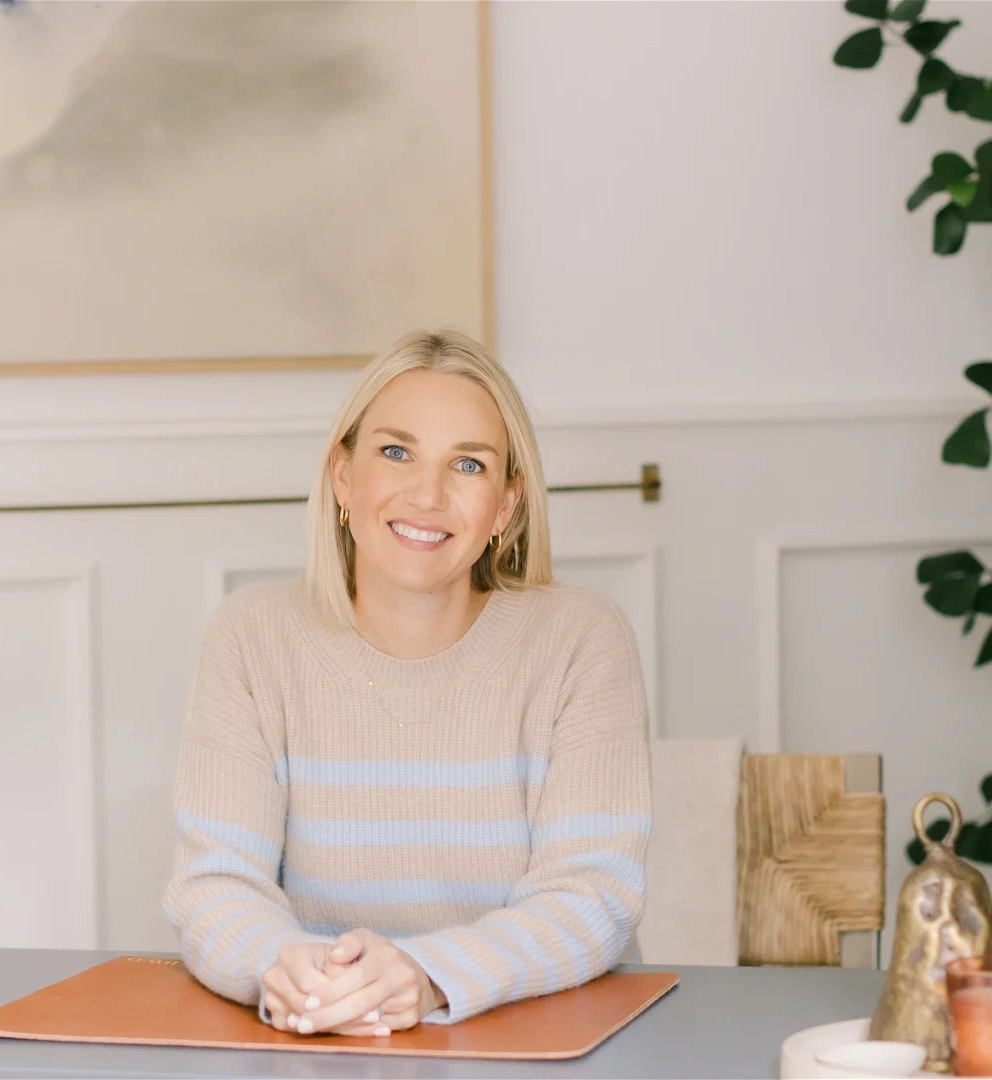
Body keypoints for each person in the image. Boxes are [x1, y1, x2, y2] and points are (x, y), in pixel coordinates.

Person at [163, 329, 652, 1037]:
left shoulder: (582, 639)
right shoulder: (250, 636)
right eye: (396, 452)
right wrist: (289, 968)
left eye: (469, 465)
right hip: (318, 1044)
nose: (427, 493)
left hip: (547, 1046)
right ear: (342, 476)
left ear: (506, 508)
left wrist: (422, 978)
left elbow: (593, 894)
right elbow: (216, 884)